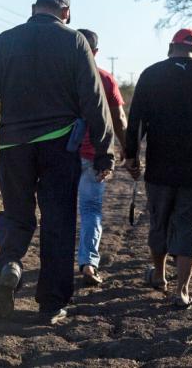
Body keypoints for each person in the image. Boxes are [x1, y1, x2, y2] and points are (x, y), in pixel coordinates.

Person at [0, 0, 115, 325]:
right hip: (59, 146)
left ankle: (10, 265)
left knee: (17, 215)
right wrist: (105, 151)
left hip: (12, 146)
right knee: (58, 221)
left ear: (34, 8)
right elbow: (94, 100)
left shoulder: (5, 40)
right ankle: (50, 303)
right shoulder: (75, 41)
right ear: (66, 13)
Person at [124, 28, 192, 309]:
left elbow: (135, 120)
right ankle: (182, 290)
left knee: (159, 220)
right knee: (190, 224)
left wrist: (131, 155)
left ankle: (159, 275)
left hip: (160, 165)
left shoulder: (151, 74)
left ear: (171, 47)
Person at [74, 28, 127, 286]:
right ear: (95, 52)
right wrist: (128, 151)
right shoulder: (105, 79)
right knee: (91, 210)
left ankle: (57, 263)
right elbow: (118, 120)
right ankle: (88, 262)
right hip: (94, 155)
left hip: (61, 154)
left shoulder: (62, 77)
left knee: (58, 211)